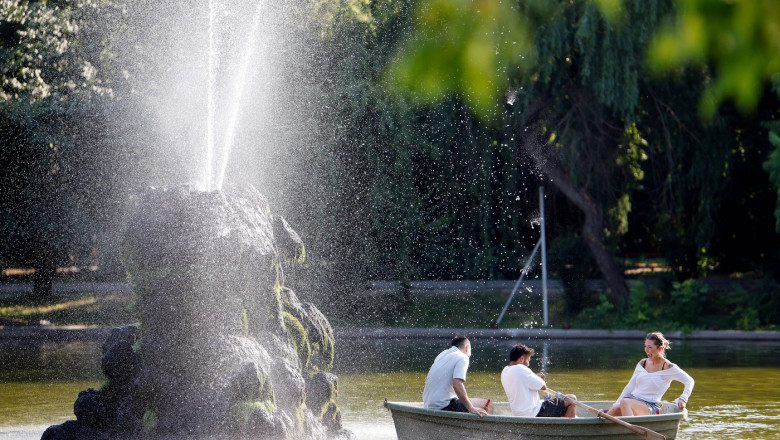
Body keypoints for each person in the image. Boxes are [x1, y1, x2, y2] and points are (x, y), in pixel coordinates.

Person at [606, 332, 695, 416]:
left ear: (659, 349)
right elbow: (629, 387)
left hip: (651, 406)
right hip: (632, 400)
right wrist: (614, 406)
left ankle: (632, 430)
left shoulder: (668, 367)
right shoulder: (642, 363)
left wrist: (683, 398)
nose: (646, 350)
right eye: (645, 346)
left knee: (625, 402)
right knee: (614, 410)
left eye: (650, 347)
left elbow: (689, 381)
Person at [422, 335, 493, 416]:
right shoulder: (463, 357)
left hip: (428, 405)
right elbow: (457, 384)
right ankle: (486, 428)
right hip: (444, 406)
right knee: (488, 403)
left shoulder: (442, 354)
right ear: (467, 348)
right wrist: (471, 408)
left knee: (465, 399)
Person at [501, 344, 577, 418]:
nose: (528, 364)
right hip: (535, 412)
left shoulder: (504, 371)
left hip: (518, 414)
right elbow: (543, 386)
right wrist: (537, 377)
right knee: (572, 399)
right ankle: (565, 428)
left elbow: (523, 383)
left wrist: (535, 377)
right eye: (528, 360)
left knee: (557, 404)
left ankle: (560, 421)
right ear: (521, 359)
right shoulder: (521, 369)